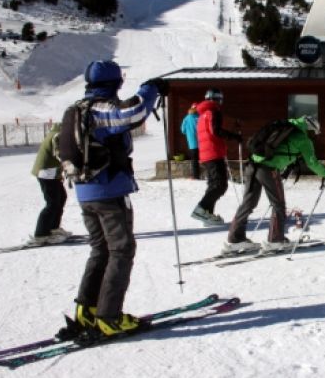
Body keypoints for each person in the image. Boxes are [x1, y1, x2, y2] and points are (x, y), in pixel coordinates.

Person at [59, 60, 164, 337]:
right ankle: (109, 317)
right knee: (121, 250)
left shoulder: (76, 110)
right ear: (115, 82)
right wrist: (151, 89)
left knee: (100, 249)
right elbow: (134, 112)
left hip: (85, 191)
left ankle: (87, 309)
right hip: (108, 191)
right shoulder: (101, 109)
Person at [225, 116, 325, 254]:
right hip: (268, 169)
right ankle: (275, 241)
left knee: (248, 203)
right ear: (310, 128)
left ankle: (235, 239)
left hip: (252, 165)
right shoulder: (302, 139)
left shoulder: (285, 127)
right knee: (278, 205)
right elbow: (312, 163)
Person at [192, 88, 242, 225]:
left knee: (214, 184)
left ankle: (207, 214)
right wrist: (234, 136)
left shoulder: (202, 114)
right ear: (217, 99)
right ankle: (201, 209)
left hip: (206, 153)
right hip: (213, 153)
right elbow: (216, 131)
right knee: (220, 185)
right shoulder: (214, 111)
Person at [29, 122, 69, 245]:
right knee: (52, 203)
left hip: (51, 173)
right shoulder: (57, 136)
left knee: (61, 198)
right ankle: (40, 234)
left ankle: (53, 229)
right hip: (46, 174)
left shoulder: (56, 133)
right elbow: (60, 155)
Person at [180, 103, 200, 179]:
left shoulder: (186, 118)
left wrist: (189, 132)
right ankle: (207, 174)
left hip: (192, 143)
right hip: (202, 142)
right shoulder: (200, 117)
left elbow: (183, 130)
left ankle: (196, 176)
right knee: (204, 159)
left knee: (194, 160)